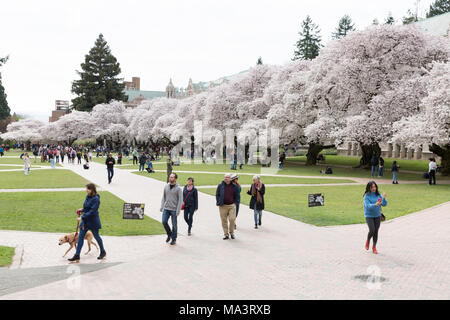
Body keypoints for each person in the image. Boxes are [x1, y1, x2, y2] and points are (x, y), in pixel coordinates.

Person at [68, 183, 107, 262]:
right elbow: (87, 208)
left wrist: (82, 217)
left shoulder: (96, 199)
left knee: (96, 236)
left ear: (92, 189)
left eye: (87, 189)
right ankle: (77, 255)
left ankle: (103, 251)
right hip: (85, 222)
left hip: (93, 221)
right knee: (80, 238)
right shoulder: (88, 196)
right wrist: (81, 210)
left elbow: (93, 211)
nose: (86, 190)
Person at [363, 181, 387, 254]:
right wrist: (375, 204)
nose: (374, 188)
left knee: (376, 231)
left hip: (377, 215)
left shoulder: (378, 194)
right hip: (369, 216)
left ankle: (374, 247)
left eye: (375, 187)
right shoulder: (366, 196)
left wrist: (384, 198)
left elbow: (384, 204)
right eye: (372, 187)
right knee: (372, 230)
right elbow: (368, 206)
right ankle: (368, 241)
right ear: (369, 188)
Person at [160, 173, 183, 245]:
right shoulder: (166, 186)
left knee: (174, 225)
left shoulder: (178, 188)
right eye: (170, 177)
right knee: (164, 221)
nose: (170, 178)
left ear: (175, 178)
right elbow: (164, 197)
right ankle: (169, 234)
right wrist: (162, 206)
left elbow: (180, 200)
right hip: (166, 208)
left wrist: (178, 210)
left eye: (172, 177)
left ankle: (174, 239)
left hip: (174, 209)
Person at [215, 173, 240, 240]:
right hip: (223, 206)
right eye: (225, 177)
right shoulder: (220, 186)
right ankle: (226, 234)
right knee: (224, 221)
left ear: (230, 178)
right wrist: (218, 202)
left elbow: (237, 195)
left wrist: (235, 203)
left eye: (228, 177)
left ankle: (232, 233)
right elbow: (217, 194)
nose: (226, 178)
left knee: (232, 219)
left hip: (232, 205)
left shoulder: (234, 186)